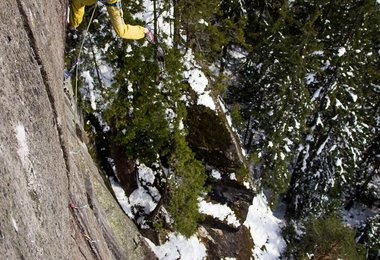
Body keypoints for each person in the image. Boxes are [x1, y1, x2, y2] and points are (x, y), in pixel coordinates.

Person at [68, 0, 154, 42]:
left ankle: (145, 31)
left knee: (121, 31)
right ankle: (73, 25)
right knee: (77, 2)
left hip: (113, 6)